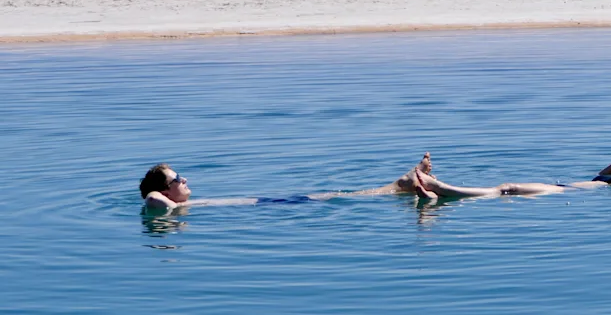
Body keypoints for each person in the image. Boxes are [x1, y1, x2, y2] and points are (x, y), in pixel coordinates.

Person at [140, 152, 436, 210]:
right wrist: (161, 198)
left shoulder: (175, 206)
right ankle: (402, 184)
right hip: (274, 208)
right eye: (178, 178)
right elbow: (153, 198)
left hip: (270, 204)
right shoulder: (163, 204)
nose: (185, 179)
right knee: (338, 197)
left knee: (335, 194)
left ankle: (402, 185)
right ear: (166, 189)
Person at [413, 141, 611, 201]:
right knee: (506, 188)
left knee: (507, 188)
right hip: (563, 187)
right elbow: (599, 177)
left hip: (560, 193)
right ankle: (435, 193)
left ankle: (441, 188)